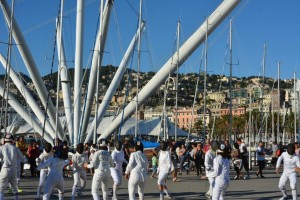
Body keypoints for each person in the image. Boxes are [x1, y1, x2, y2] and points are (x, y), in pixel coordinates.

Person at [0, 134, 27, 200]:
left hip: (5, 169)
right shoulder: (16, 148)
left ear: (5, 141)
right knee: (15, 188)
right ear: (12, 140)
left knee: (1, 188)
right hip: (14, 170)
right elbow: (24, 160)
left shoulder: (1, 148)